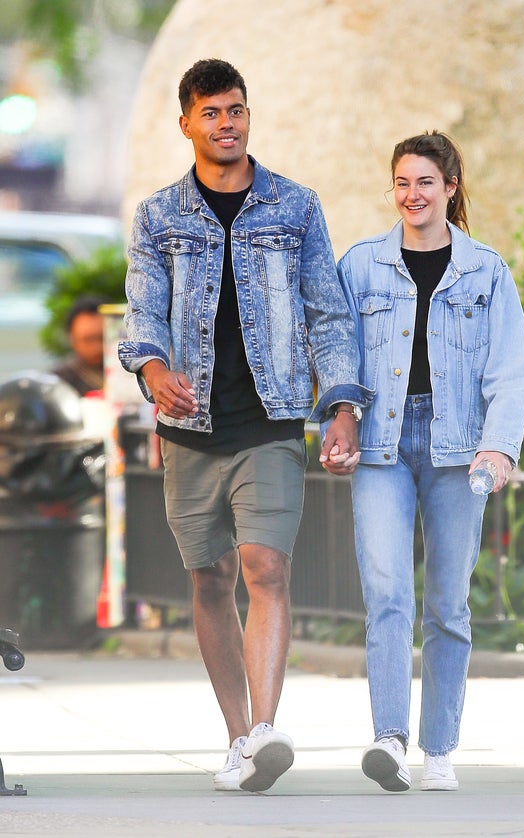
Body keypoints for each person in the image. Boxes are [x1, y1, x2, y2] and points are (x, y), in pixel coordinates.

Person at [118, 58, 368, 793]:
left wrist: (342, 405)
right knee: (210, 578)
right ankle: (236, 736)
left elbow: (328, 312)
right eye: (212, 113)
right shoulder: (159, 215)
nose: (227, 124)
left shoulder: (295, 207)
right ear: (187, 123)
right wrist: (154, 370)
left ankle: (264, 731)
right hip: (190, 427)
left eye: (237, 110)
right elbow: (142, 308)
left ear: (248, 116)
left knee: (267, 568)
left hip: (271, 416)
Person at [335, 131, 524, 792]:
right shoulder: (362, 265)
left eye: (425, 182)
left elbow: (511, 370)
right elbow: (335, 353)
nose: (412, 195)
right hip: (382, 446)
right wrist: (337, 418)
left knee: (447, 604)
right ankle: (389, 738)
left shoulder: (487, 270)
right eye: (402, 183)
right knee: (387, 591)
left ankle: (439, 748)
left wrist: (499, 445)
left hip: (458, 449)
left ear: (450, 186)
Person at [52, 295, 105, 395]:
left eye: (102, 338)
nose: (97, 347)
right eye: (88, 340)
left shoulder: (130, 374)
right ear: (71, 337)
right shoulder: (58, 381)